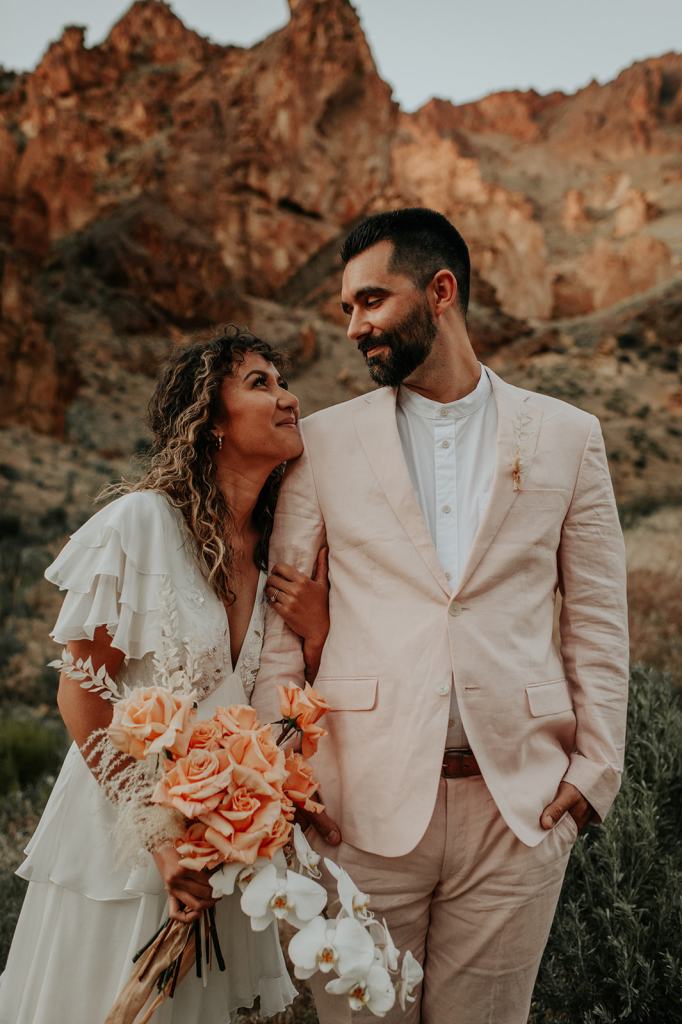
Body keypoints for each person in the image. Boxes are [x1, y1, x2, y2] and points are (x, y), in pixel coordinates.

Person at [254, 208, 629, 1024]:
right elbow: (278, 630)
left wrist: (596, 771)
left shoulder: (568, 435)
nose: (356, 327)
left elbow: (598, 617)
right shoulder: (322, 442)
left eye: (371, 302)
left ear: (441, 291)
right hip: (357, 808)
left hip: (518, 811)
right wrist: (284, 782)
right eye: (348, 308)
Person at [0, 326, 332, 1024]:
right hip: (123, 845)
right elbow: (80, 692)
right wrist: (158, 841)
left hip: (222, 849)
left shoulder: (276, 555)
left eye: (282, 380)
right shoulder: (141, 525)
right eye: (259, 382)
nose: (288, 397)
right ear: (210, 421)